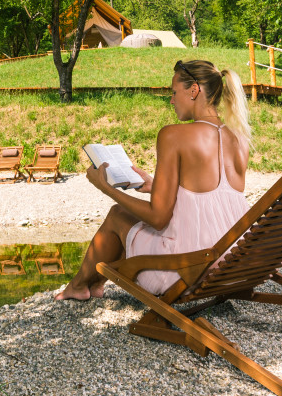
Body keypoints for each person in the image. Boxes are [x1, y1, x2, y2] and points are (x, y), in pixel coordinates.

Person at [56, 59, 253, 300]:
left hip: (186, 270)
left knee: (118, 213)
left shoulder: (174, 135)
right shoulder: (239, 140)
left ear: (194, 91)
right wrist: (156, 187)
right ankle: (94, 284)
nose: (171, 100)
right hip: (230, 264)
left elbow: (158, 219)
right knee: (131, 221)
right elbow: (214, 202)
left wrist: (106, 187)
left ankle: (78, 286)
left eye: (173, 92)